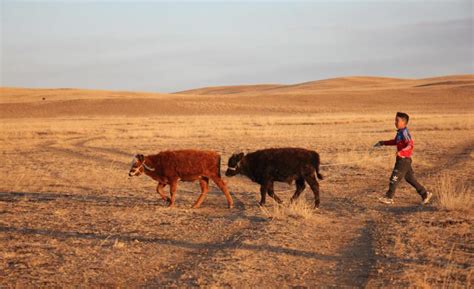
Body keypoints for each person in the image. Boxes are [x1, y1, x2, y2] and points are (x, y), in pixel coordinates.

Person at [374, 112, 432, 205]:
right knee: (410, 178)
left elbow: (410, 145)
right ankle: (425, 194)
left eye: (397, 121)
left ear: (404, 122)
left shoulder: (405, 132)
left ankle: (389, 197)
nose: (395, 122)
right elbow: (395, 141)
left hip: (404, 160)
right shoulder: (400, 132)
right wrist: (382, 143)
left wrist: (401, 152)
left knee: (394, 177)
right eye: (395, 120)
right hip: (403, 160)